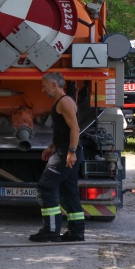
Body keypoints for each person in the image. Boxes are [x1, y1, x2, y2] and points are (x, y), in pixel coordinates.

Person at [29, 72, 86, 243]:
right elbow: (63, 131)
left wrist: (71, 151)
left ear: (54, 85)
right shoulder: (62, 102)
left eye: (44, 85)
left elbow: (74, 129)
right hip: (62, 150)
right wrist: (51, 147)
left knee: (45, 187)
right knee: (69, 192)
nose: (42, 89)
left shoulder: (65, 102)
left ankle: (51, 231)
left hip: (65, 154)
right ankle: (76, 232)